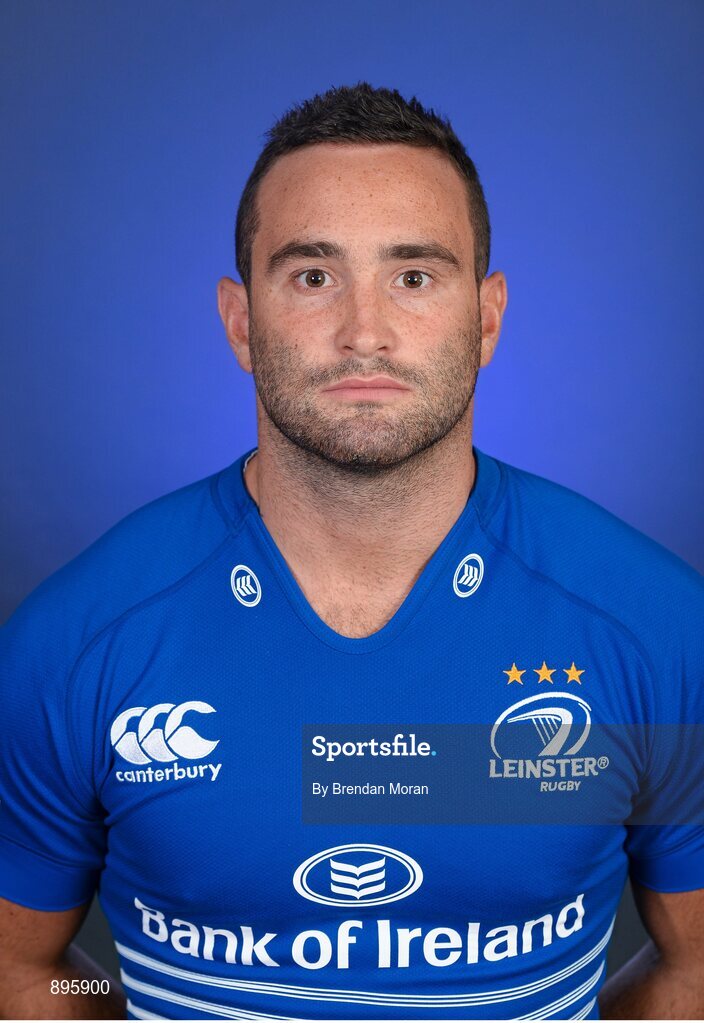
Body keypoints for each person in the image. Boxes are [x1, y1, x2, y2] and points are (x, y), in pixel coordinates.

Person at [0, 82, 702, 1023]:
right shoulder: (72, 645)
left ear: (486, 319)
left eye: (414, 276)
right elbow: (30, 969)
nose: (363, 330)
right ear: (241, 320)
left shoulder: (658, 632)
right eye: (312, 275)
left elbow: (693, 967)